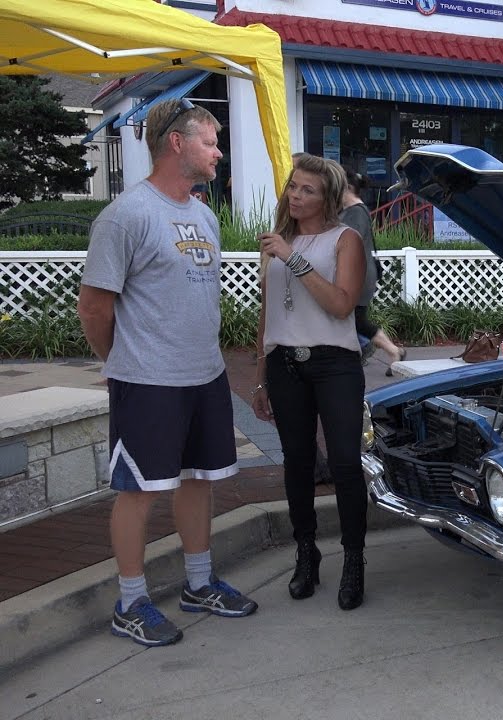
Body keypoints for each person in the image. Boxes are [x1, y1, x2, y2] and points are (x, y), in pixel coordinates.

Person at [77, 98, 258, 647]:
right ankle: (130, 602)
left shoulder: (204, 215)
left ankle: (198, 585)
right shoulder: (127, 215)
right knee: (138, 490)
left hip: (204, 376)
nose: (219, 153)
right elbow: (94, 307)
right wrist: (120, 362)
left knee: (199, 481)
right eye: (210, 142)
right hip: (147, 380)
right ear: (177, 143)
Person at [251, 154, 370, 610]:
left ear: (329, 198)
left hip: (335, 363)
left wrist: (292, 258)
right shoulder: (279, 242)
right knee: (297, 462)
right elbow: (269, 314)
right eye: (293, 187)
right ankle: (306, 551)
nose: (296, 196)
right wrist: (261, 378)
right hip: (284, 364)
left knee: (343, 462)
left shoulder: (346, 238)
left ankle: (354, 559)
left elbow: (341, 306)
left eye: (308, 190)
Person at [340, 168, 406, 376]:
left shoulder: (357, 212)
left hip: (359, 275)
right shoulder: (347, 210)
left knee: (357, 319)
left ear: (347, 188)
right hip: (355, 273)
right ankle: (365, 348)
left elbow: (348, 240)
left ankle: (391, 350)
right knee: (349, 317)